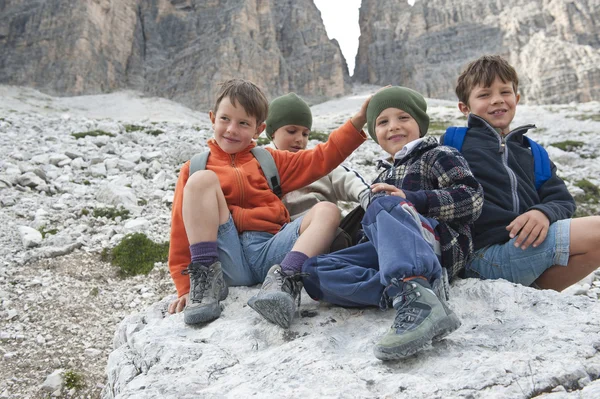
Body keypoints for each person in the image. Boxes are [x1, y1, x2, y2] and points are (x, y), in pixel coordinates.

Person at [167, 79, 369, 327]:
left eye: (243, 123)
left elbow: (321, 158)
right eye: (225, 119)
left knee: (328, 210)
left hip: (271, 252)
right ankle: (206, 284)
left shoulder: (269, 159)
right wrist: (184, 286)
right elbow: (179, 229)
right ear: (212, 118)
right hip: (226, 258)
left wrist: (357, 121)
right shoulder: (195, 167)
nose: (231, 129)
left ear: (258, 129)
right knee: (201, 180)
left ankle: (284, 280)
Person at [302, 86, 484, 360]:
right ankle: (408, 292)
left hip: (437, 244)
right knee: (314, 271)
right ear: (375, 134)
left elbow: (473, 199)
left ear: (419, 124)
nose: (394, 127)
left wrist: (413, 199)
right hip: (393, 254)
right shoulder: (382, 175)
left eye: (403, 118)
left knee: (383, 203)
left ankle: (417, 298)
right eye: (383, 122)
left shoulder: (438, 154)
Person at [449, 54, 600, 291]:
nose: (497, 100)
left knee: (594, 249)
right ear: (464, 108)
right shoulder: (454, 143)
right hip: (480, 255)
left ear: (516, 98)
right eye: (484, 94)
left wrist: (543, 212)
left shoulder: (534, 152)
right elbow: (407, 149)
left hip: (522, 249)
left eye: (505, 92)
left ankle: (531, 295)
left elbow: (562, 199)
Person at [265, 93, 371, 249]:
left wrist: (368, 197)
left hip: (332, 230)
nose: (300, 139)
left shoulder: (319, 163)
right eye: (291, 131)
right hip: (290, 238)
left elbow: (348, 181)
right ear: (272, 132)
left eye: (305, 134)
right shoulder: (263, 165)